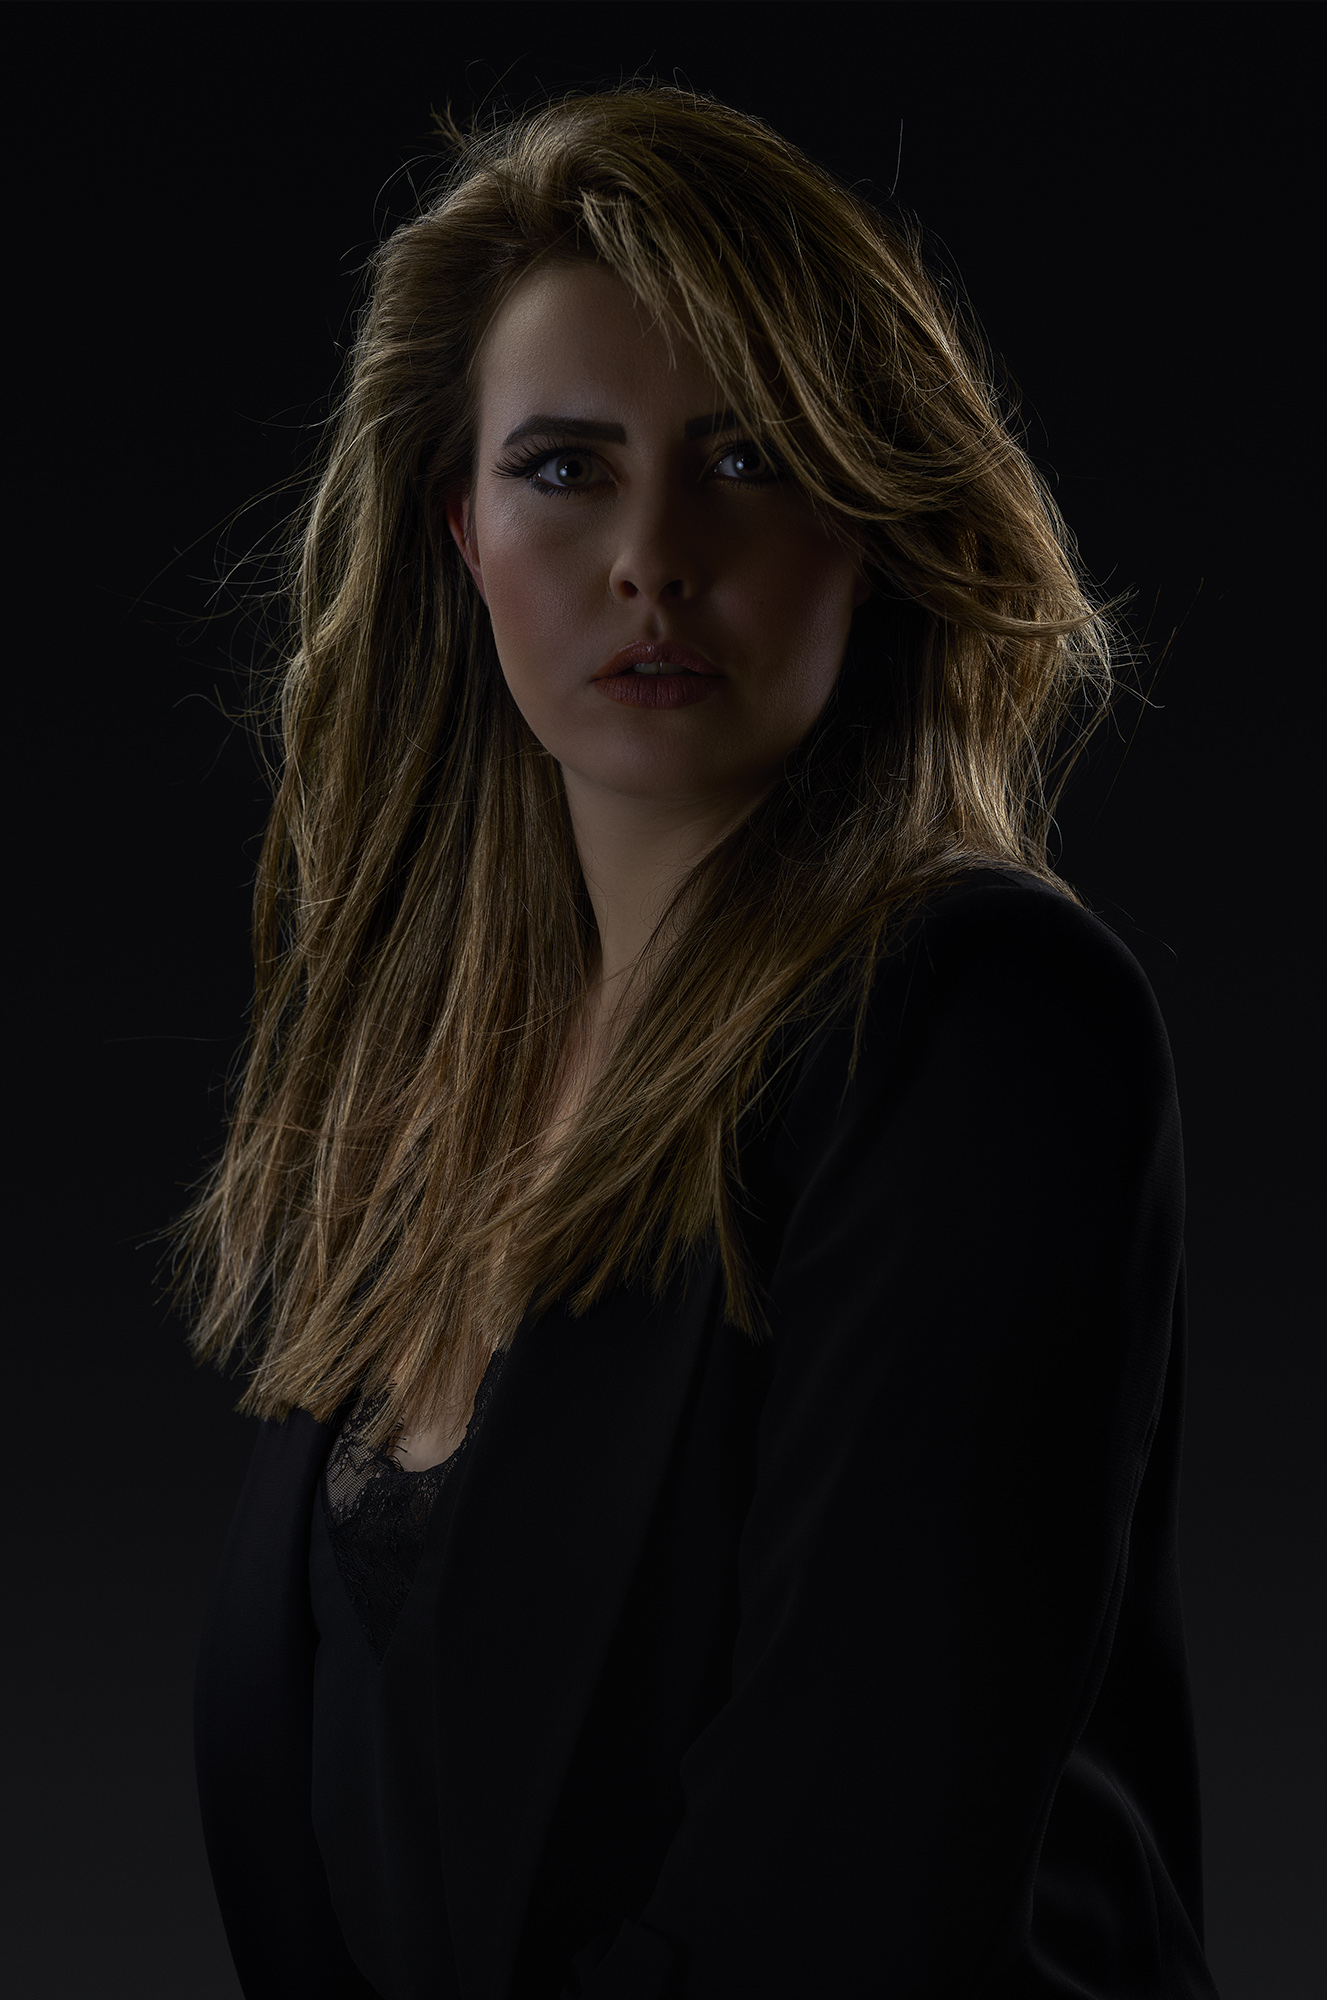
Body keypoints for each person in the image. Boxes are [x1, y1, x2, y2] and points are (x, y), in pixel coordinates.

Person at [182, 83, 1219, 2000]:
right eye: (566, 468)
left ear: (869, 526)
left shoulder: (982, 1019)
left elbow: (841, 1899)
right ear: (462, 530)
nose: (653, 556)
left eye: (745, 459)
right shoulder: (417, 1112)